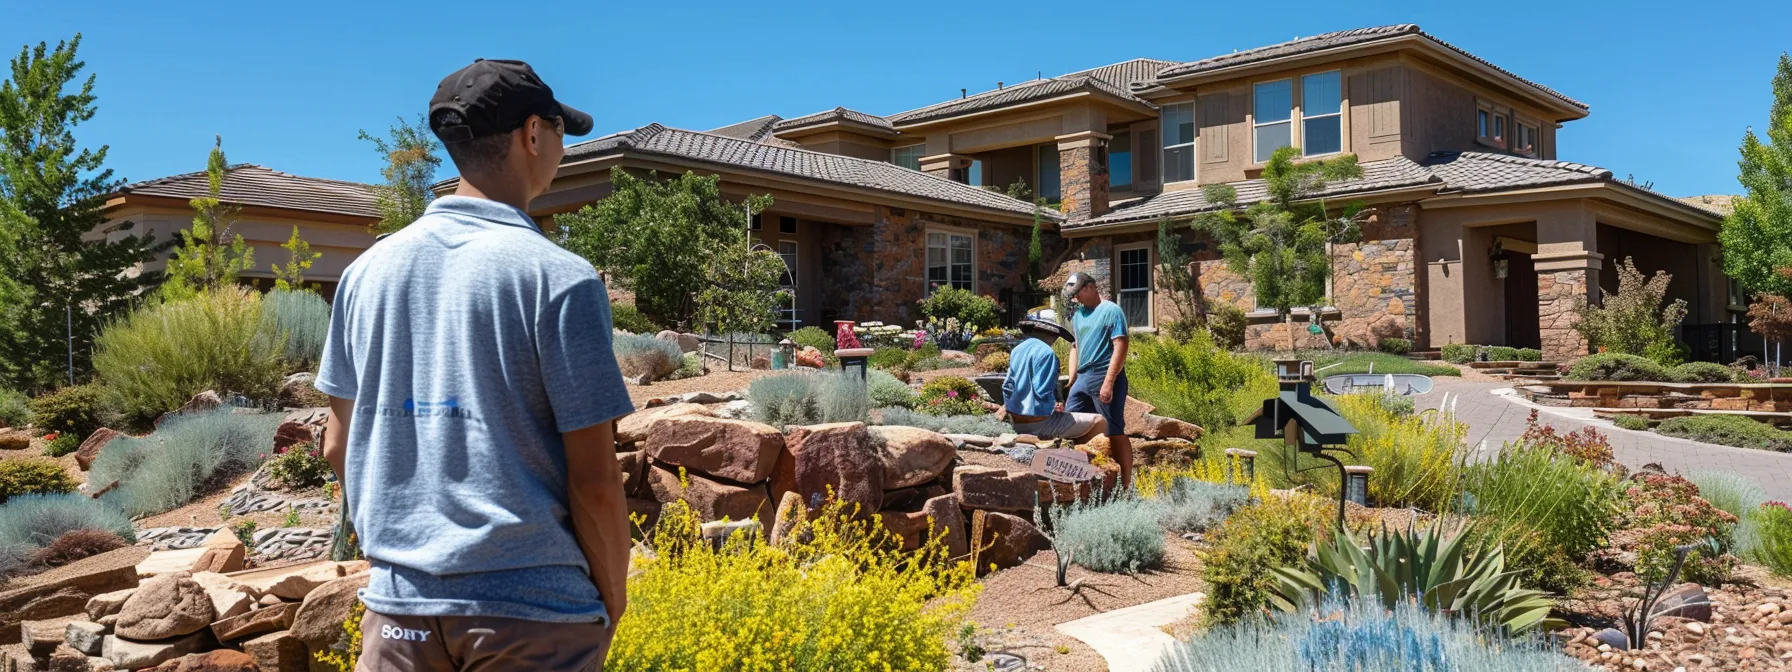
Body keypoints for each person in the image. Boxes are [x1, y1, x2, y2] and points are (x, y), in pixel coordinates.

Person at [315, 59, 633, 671]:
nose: (562, 149)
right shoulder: (558, 279)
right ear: (533, 134)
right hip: (532, 617)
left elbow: (337, 443)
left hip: (398, 613)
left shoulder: (365, 275)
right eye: (561, 133)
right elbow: (594, 481)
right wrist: (611, 599)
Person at [1062, 272, 1134, 488]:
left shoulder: (1111, 311)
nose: (1076, 300)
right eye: (1072, 296)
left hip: (1104, 375)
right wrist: (1072, 378)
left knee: (1114, 430)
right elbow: (1076, 347)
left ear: (1091, 287)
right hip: (1083, 379)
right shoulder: (1078, 315)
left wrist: (1109, 382)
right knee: (1071, 425)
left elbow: (1120, 345)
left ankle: (1126, 485)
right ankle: (1085, 481)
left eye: (1078, 294)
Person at [1001, 319, 1106, 441]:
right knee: (1099, 421)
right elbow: (1042, 390)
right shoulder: (1047, 353)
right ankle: (1086, 458)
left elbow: (1007, 385)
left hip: (1016, 420)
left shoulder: (1017, 350)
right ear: (1050, 334)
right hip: (1039, 421)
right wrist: (1053, 405)